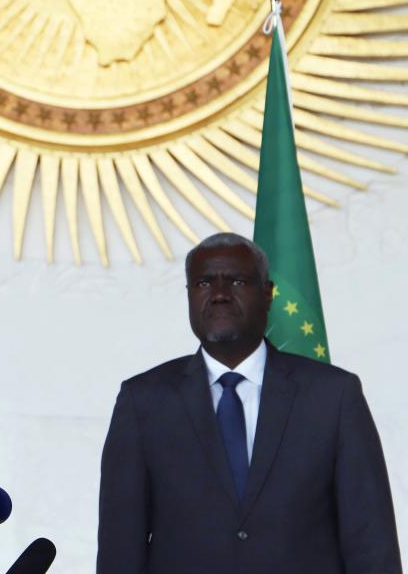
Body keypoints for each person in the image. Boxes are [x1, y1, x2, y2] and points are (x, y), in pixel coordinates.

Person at [97, 232, 401, 574]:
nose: (220, 294)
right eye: (204, 282)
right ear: (189, 295)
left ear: (268, 294)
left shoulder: (334, 396)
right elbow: (119, 549)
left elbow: (372, 545)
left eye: (238, 281)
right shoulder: (143, 402)